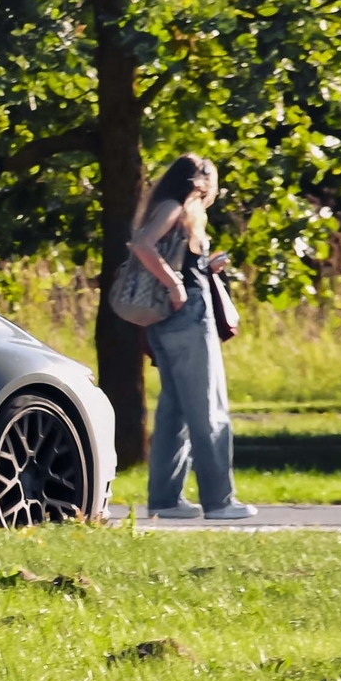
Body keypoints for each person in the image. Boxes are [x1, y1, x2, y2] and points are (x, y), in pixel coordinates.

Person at [127, 154, 254, 521]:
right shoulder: (176, 206)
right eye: (212, 181)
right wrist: (175, 284)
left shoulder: (174, 209)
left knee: (175, 410)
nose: (216, 189)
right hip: (187, 317)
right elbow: (142, 244)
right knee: (209, 408)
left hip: (167, 319)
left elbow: (161, 251)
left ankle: (165, 500)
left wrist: (204, 266)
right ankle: (220, 501)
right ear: (199, 182)